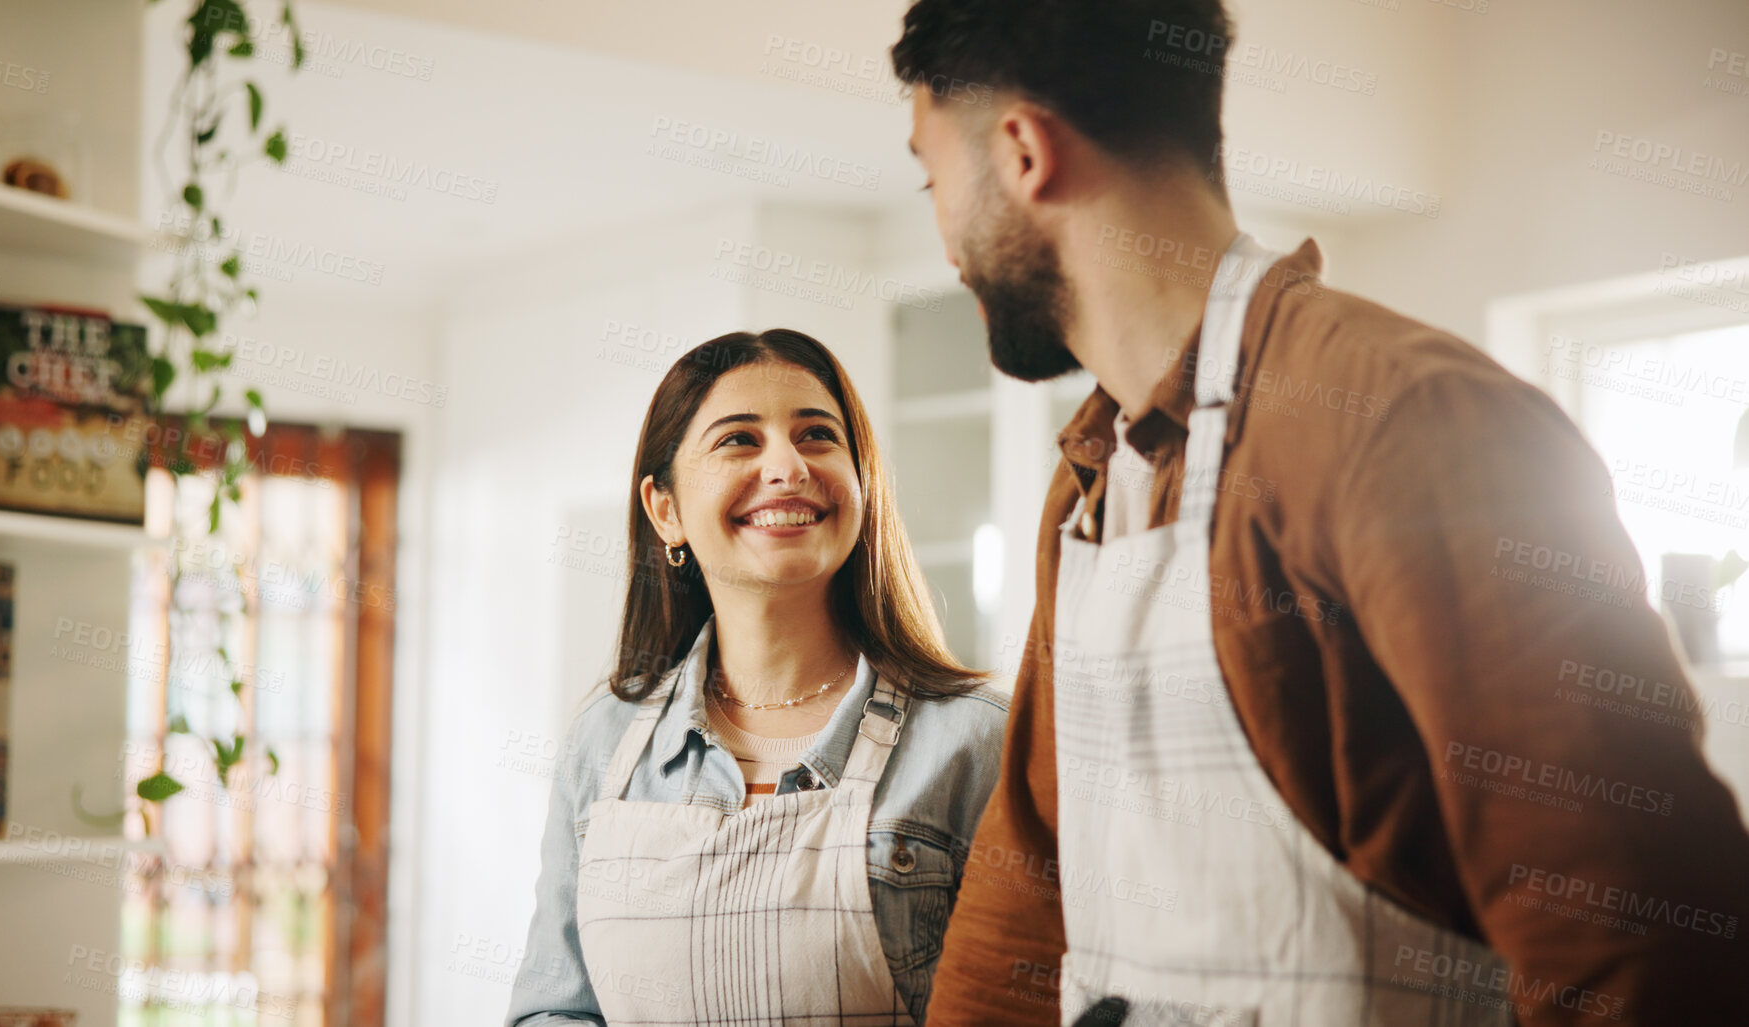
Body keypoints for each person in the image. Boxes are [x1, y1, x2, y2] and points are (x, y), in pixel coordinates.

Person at [892, 1, 1749, 1025]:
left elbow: (1640, 933)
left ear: (1025, 152)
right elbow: (1025, 900)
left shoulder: (1410, 420)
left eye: (931, 174)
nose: (940, 226)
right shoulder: (1088, 480)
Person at [506, 329, 1010, 1025]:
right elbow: (553, 1008)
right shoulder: (605, 741)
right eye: (739, 439)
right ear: (666, 510)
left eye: (816, 435)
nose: (788, 466)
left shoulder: (977, 740)